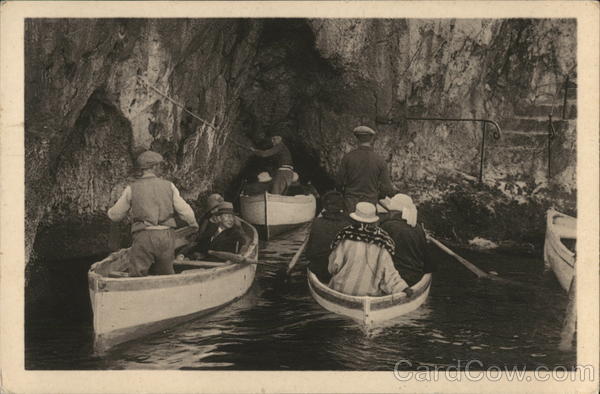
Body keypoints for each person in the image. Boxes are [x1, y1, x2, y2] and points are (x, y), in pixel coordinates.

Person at [108, 150, 199, 277]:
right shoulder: (169, 186)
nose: (161, 168)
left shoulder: (132, 188)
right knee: (166, 274)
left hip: (144, 236)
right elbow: (185, 211)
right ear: (154, 167)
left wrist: (110, 211)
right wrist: (193, 223)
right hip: (166, 236)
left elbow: (115, 215)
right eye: (160, 165)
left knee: (137, 275)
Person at [328, 202, 413, 297]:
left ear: (355, 219)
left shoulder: (345, 237)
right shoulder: (382, 242)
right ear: (373, 221)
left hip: (340, 291)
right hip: (369, 295)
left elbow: (333, 267)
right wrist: (404, 288)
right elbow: (390, 275)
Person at [379, 194, 436, 286]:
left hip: (391, 278)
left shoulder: (385, 226)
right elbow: (427, 260)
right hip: (414, 277)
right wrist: (429, 271)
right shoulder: (417, 228)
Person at [336, 125, 395, 212]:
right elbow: (387, 189)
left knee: (348, 225)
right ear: (371, 139)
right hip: (369, 205)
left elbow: (338, 183)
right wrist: (377, 195)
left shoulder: (348, 158)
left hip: (350, 204)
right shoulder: (380, 160)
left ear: (357, 139)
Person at [305, 191, 351, 283]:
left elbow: (309, 253)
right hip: (338, 270)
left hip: (319, 268)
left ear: (325, 207)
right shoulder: (348, 225)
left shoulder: (316, 222)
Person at [185, 202, 250, 261]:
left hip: (218, 267)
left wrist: (243, 251)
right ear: (218, 218)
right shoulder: (212, 230)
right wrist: (187, 256)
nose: (231, 219)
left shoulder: (234, 233)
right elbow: (202, 246)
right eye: (227, 216)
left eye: (232, 216)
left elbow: (245, 241)